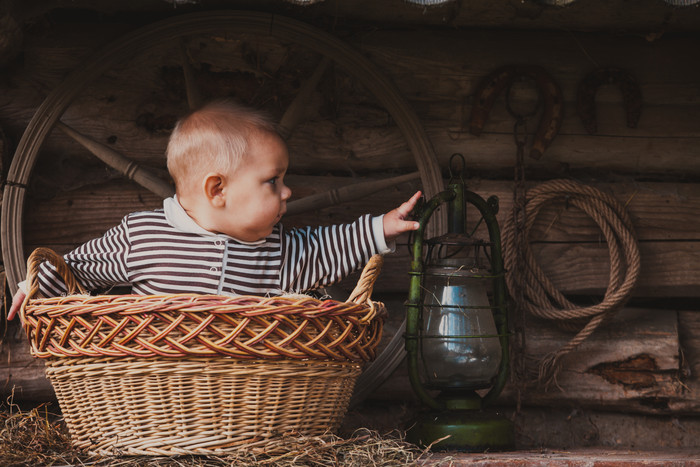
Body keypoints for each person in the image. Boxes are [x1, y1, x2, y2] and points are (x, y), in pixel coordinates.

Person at [7, 99, 421, 320]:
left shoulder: (273, 250)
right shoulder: (144, 236)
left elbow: (323, 248)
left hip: (238, 390)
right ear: (217, 189)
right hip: (157, 381)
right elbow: (79, 266)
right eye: (272, 181)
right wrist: (34, 285)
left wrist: (380, 228)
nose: (288, 192)